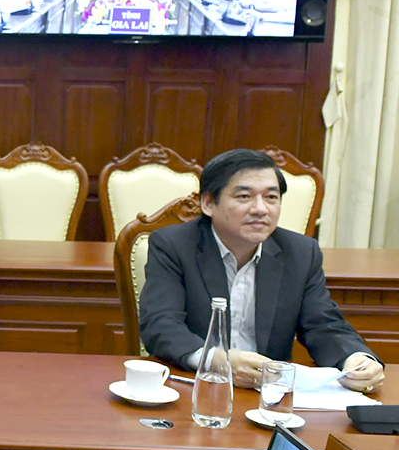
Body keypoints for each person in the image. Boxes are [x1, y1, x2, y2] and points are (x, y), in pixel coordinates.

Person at [138, 148, 385, 391]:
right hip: (196, 386)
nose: (260, 209)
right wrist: (216, 360)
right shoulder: (174, 245)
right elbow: (160, 324)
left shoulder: (300, 253)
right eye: (244, 196)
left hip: (269, 393)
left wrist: (355, 358)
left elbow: (323, 324)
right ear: (208, 203)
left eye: (271, 197)